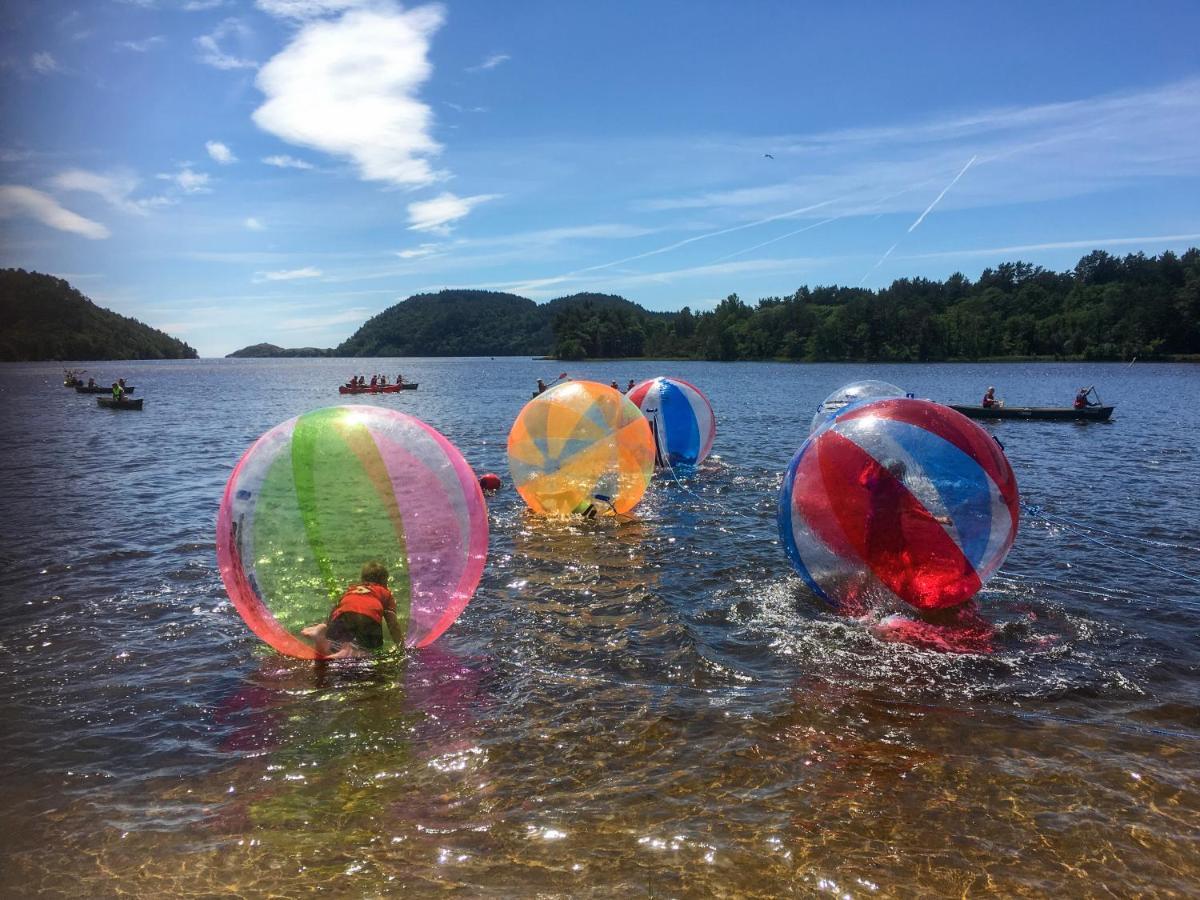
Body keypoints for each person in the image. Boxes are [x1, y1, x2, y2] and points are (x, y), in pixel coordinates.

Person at [301, 561, 404, 659]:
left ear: (362, 579)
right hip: (367, 618)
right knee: (371, 653)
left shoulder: (352, 589)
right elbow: (392, 624)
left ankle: (321, 637)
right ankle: (346, 652)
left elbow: (335, 610)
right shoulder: (384, 592)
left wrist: (328, 628)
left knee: (335, 643)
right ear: (384, 581)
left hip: (343, 616)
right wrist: (402, 647)